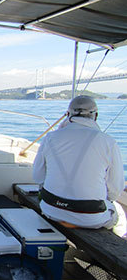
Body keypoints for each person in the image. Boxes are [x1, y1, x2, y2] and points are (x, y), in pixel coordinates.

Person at [33, 95, 126, 237]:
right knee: (118, 211)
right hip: (91, 218)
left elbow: (37, 176)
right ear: (95, 116)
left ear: (68, 114)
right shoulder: (108, 142)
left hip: (51, 209)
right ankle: (119, 248)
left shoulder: (50, 138)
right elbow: (114, 191)